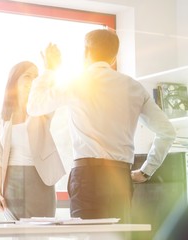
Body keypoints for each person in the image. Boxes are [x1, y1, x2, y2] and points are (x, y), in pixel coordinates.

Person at [27, 29, 176, 223]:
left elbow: (34, 106)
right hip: (119, 177)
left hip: (86, 176)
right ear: (114, 57)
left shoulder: (76, 83)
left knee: (86, 236)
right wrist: (146, 170)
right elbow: (167, 132)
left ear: (85, 53)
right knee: (116, 237)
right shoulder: (134, 87)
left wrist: (49, 70)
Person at [0, 61, 66, 220]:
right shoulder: (0, 118)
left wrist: (50, 69)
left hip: (40, 180)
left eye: (36, 77)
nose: (33, 80)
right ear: (14, 81)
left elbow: (52, 93)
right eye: (27, 76)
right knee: (16, 235)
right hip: (12, 184)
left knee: (41, 234)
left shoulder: (42, 110)